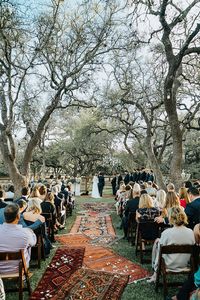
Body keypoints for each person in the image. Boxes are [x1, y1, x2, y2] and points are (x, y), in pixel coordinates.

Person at [147, 207, 195, 283]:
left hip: (169, 264)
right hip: (184, 264)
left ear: (171, 218)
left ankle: (155, 273)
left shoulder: (166, 233)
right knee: (159, 243)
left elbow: (160, 252)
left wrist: (157, 267)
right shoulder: (190, 232)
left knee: (158, 244)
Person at [0, 203, 36, 274]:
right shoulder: (25, 233)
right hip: (19, 269)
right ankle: (26, 272)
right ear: (18, 216)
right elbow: (33, 243)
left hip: (0, 269)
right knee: (29, 245)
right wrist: (32, 233)